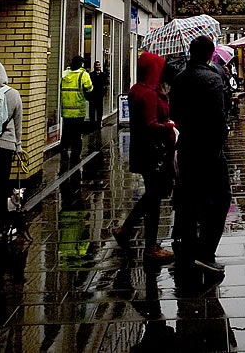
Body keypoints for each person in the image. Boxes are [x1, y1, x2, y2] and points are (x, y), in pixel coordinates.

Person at [170, 35, 231, 274]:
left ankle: (187, 247)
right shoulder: (212, 79)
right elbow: (218, 117)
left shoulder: (179, 79)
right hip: (209, 148)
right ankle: (207, 252)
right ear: (209, 54)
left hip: (187, 145)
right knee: (220, 198)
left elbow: (174, 112)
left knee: (189, 198)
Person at [112, 52, 175, 262]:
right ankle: (149, 246)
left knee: (153, 195)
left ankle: (127, 230)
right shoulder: (147, 94)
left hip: (144, 150)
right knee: (154, 197)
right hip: (153, 151)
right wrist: (168, 126)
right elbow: (150, 125)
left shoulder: (139, 90)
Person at [0, 61, 23, 238]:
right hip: (6, 146)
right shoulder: (14, 95)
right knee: (2, 184)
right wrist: (18, 145)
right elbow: (18, 123)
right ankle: (2, 224)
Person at [60, 55, 93, 165]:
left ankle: (64, 151)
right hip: (78, 111)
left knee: (66, 133)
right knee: (76, 135)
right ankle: (75, 155)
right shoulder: (83, 75)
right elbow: (89, 89)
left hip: (66, 111)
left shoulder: (64, 74)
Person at [89, 61, 107, 128]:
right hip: (93, 95)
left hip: (100, 95)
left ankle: (99, 123)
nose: (98, 67)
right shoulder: (91, 75)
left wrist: (104, 92)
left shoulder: (103, 74)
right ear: (94, 66)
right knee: (92, 110)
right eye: (97, 65)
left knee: (99, 109)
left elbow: (105, 83)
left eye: (99, 65)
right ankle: (92, 123)